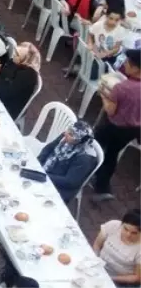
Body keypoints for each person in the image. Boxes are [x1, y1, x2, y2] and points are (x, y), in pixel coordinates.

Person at [92, 49, 141, 200]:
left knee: (93, 143)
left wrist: (103, 95)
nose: (124, 64)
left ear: (136, 68)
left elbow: (110, 111)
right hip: (133, 130)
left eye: (127, 63)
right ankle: (102, 186)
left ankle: (90, 175)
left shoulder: (121, 88)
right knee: (112, 154)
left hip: (114, 126)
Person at [37, 121, 98, 202]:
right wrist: (38, 162)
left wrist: (44, 176)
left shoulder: (84, 158)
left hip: (60, 188)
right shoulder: (65, 137)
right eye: (68, 130)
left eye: (71, 134)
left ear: (79, 140)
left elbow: (70, 182)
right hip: (47, 172)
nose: (66, 133)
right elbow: (49, 148)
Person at [0, 44, 38, 120]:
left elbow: (6, 92)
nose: (13, 54)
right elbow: (3, 75)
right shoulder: (14, 62)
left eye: (17, 54)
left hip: (7, 108)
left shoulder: (28, 75)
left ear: (26, 59)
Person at [92, 209, 141, 283]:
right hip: (98, 266)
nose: (128, 235)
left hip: (120, 280)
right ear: (122, 223)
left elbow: (137, 277)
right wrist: (94, 260)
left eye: (134, 233)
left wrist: (109, 278)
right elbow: (97, 245)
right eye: (125, 229)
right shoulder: (113, 225)